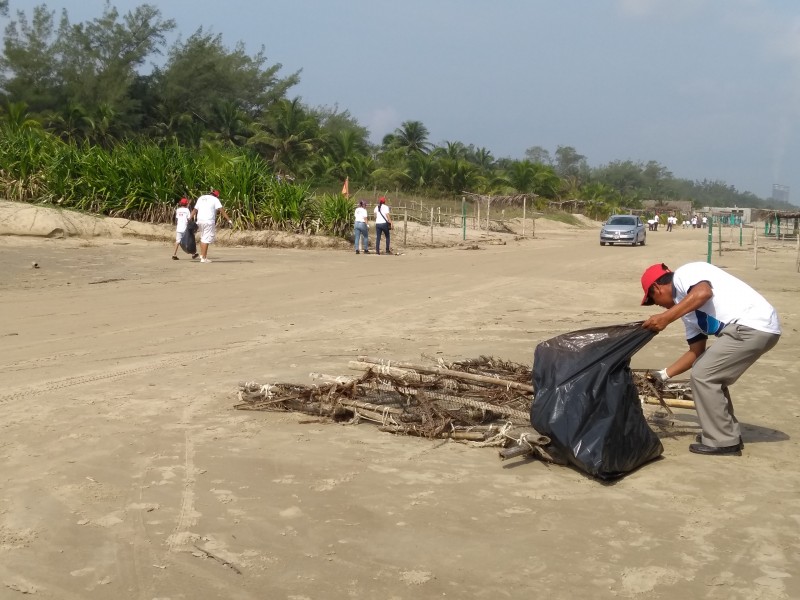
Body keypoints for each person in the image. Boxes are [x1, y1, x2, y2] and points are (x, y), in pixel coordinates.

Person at [640, 262, 781, 456]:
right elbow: (695, 352)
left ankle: (722, 440)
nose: (657, 305)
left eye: (653, 300)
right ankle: (726, 433)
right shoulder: (688, 315)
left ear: (657, 288)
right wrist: (662, 375)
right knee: (708, 371)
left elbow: (703, 293)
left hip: (753, 325)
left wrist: (665, 317)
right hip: (750, 330)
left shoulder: (685, 273)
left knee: (703, 375)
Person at [191, 189, 233, 263]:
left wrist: (189, 218)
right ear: (217, 195)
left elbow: (195, 209)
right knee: (206, 239)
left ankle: (202, 255)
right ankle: (204, 258)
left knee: (203, 237)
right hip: (208, 221)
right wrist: (229, 220)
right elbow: (221, 210)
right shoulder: (215, 199)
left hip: (200, 220)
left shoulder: (201, 197)